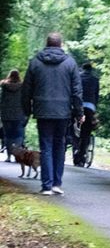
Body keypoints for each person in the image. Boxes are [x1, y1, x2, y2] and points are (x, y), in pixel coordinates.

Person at [21, 32, 83, 195]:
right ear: (61, 44)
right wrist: (79, 112)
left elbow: (26, 89)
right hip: (63, 111)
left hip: (42, 110)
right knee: (59, 145)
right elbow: (77, 91)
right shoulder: (70, 63)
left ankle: (46, 186)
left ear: (46, 44)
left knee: (46, 146)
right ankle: (57, 183)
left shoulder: (35, 63)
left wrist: (27, 111)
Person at [74, 63, 99, 166]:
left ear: (82, 68)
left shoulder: (78, 77)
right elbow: (96, 95)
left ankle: (75, 148)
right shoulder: (95, 80)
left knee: (73, 128)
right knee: (86, 132)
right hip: (90, 107)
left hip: (77, 105)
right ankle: (82, 155)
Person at [0, 70, 28, 162]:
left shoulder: (4, 86)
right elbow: (25, 100)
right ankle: (18, 157)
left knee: (8, 136)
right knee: (18, 136)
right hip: (19, 114)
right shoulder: (22, 86)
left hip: (6, 115)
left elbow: (1, 100)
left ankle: (8, 156)